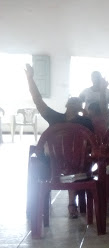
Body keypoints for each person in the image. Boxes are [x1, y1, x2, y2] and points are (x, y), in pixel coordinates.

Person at [25, 64, 94, 219]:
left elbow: (92, 141)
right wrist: (30, 79)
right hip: (63, 164)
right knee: (69, 161)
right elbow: (38, 100)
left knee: (72, 160)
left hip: (70, 164)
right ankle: (70, 204)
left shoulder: (83, 122)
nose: (74, 104)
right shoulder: (61, 119)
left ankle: (71, 204)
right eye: (73, 102)